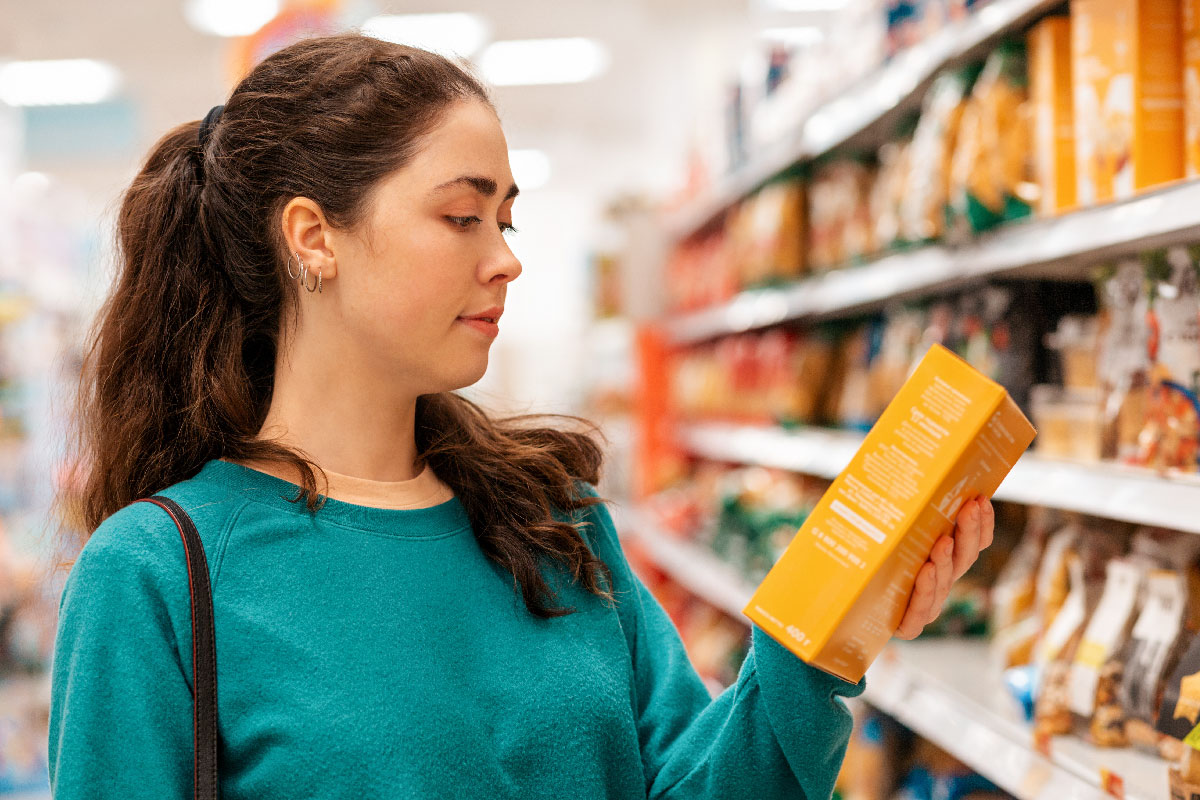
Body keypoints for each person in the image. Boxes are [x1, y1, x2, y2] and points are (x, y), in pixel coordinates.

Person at [47, 32, 994, 799]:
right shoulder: (157, 574)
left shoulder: (549, 517)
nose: (506, 258)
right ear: (313, 237)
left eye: (507, 219)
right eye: (463, 216)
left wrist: (825, 640)